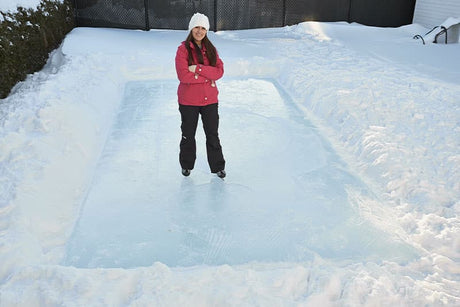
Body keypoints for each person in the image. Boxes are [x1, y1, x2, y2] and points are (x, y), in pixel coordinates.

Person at [175, 13, 226, 178]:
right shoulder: (183, 50)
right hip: (188, 101)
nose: (200, 31)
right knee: (188, 134)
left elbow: (219, 72)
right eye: (197, 27)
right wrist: (207, 77)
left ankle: (218, 166)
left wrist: (197, 69)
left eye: (203, 28)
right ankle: (186, 164)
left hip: (210, 100)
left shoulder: (211, 49)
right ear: (191, 28)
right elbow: (183, 76)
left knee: (212, 134)